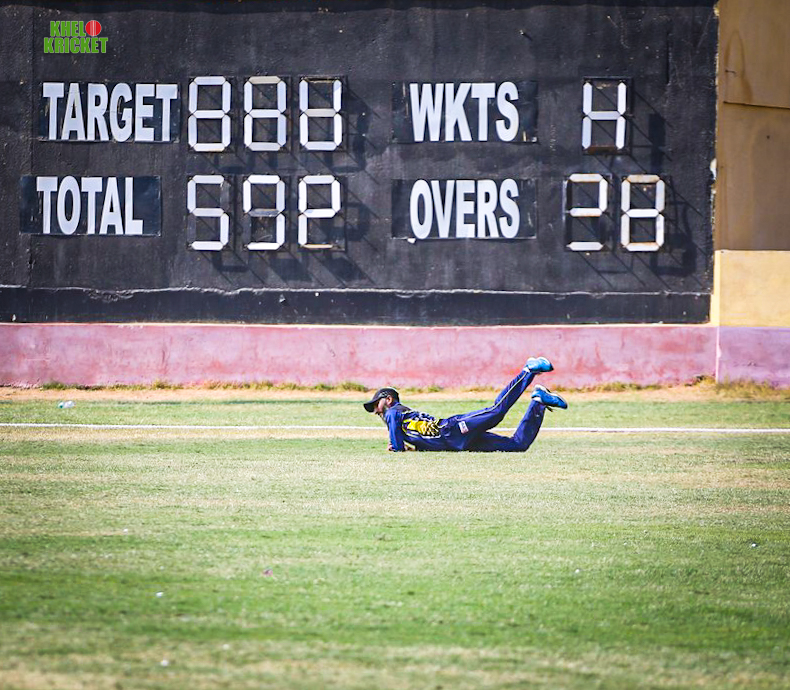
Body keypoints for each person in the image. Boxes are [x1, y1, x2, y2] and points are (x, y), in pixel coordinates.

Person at [362, 357, 567, 452]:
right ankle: (538, 402)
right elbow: (420, 440)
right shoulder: (403, 424)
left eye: (376, 405)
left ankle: (528, 371)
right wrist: (412, 449)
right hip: (459, 443)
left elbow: (396, 446)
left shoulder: (393, 413)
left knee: (496, 411)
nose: (376, 411)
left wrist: (397, 448)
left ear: (389, 399)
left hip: (452, 429)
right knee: (517, 445)